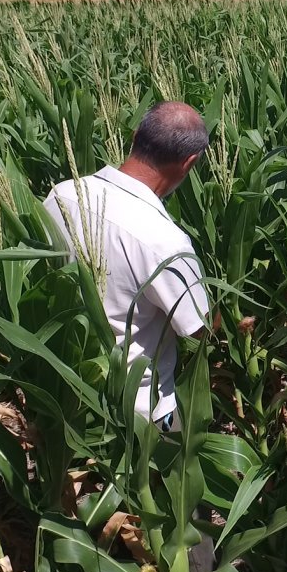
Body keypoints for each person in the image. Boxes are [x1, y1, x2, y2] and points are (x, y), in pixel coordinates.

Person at [44, 101, 211, 429]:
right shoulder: (164, 242)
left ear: (135, 137)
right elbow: (200, 330)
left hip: (62, 392)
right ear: (189, 162)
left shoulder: (60, 197)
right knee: (174, 472)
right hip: (141, 409)